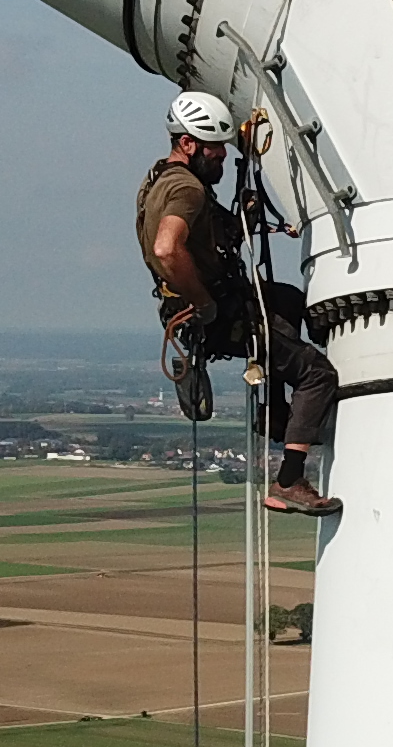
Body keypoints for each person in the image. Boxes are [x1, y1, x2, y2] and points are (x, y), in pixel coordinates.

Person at [140, 88, 340, 516]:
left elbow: (194, 238)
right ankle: (289, 479)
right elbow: (166, 249)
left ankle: (278, 415)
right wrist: (205, 302)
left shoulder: (159, 180)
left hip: (200, 306)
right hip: (212, 312)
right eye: (214, 149)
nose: (221, 158)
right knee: (316, 374)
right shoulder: (187, 191)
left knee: (288, 300)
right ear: (188, 144)